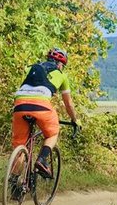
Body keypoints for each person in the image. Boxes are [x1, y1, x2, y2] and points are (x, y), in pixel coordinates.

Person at [12, 47, 78, 177]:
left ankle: (14, 185)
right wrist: (75, 120)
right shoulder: (62, 75)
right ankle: (42, 159)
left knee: (20, 147)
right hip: (42, 106)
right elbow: (68, 104)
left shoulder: (31, 68)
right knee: (52, 134)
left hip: (19, 105)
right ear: (60, 64)